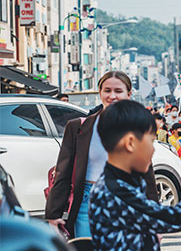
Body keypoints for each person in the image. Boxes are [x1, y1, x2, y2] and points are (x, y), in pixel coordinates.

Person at [89, 100, 181, 251]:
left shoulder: (123, 181)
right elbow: (176, 218)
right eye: (151, 141)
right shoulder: (115, 191)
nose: (153, 149)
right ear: (131, 143)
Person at [45, 71, 158, 238]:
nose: (112, 96)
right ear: (100, 93)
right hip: (88, 203)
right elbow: (64, 172)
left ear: (129, 94)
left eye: (118, 91)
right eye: (107, 90)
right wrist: (53, 214)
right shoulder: (77, 127)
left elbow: (146, 175)